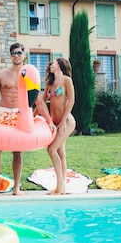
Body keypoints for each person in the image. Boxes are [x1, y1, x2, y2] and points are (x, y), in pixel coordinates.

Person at [0, 43, 54, 196]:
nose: (16, 56)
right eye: (14, 53)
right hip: (4, 114)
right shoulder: (1, 75)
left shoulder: (28, 75)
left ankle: (16, 188)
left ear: (24, 55)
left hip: (20, 115)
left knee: (18, 153)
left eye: (19, 53)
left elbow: (38, 101)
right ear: (10, 55)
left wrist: (49, 120)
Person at [43, 57, 76, 195]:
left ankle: (60, 186)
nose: (51, 64)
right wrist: (32, 117)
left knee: (51, 150)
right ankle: (62, 187)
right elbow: (42, 102)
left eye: (54, 62)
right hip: (55, 122)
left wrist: (62, 121)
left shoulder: (66, 80)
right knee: (61, 154)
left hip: (66, 121)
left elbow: (71, 101)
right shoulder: (50, 83)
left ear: (60, 65)